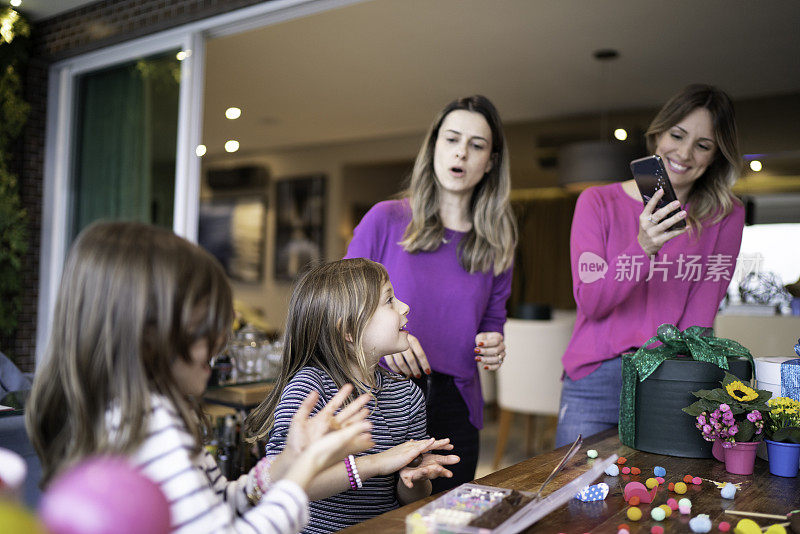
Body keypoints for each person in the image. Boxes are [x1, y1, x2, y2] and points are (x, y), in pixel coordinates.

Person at [25, 221, 375, 534]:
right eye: (203, 320)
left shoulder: (132, 413)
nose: (226, 330)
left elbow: (221, 503)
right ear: (150, 332)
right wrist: (305, 472)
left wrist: (290, 461)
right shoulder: (149, 426)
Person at [555, 84, 746, 447]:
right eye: (677, 135)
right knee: (574, 492)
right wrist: (643, 247)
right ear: (658, 133)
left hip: (670, 373)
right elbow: (592, 302)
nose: (685, 153)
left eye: (703, 145)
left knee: (659, 494)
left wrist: (681, 381)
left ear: (715, 156)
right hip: (596, 375)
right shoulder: (597, 202)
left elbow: (699, 322)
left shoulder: (725, 215)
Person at [344, 95, 517, 490]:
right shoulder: (385, 219)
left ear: (490, 161)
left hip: (457, 403)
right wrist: (384, 340)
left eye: (477, 145)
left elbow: (491, 322)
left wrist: (493, 342)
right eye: (452, 139)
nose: (462, 152)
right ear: (434, 146)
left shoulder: (498, 241)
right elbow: (342, 301)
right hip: (379, 395)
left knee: (446, 518)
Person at [246, 258, 459, 533]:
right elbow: (283, 482)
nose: (405, 307)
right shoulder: (311, 390)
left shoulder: (407, 396)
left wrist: (414, 478)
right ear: (347, 329)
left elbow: (412, 499)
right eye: (389, 300)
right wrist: (376, 464)